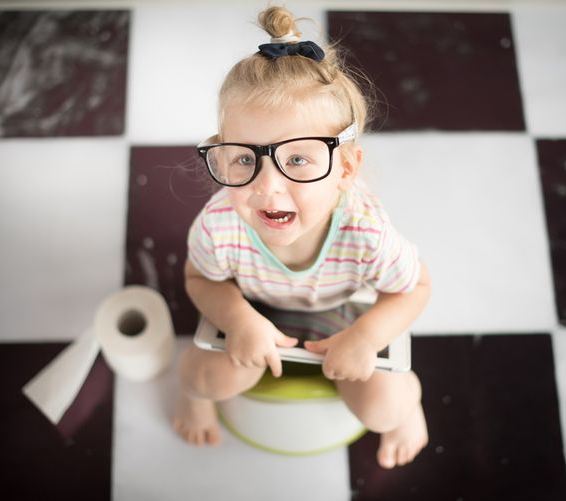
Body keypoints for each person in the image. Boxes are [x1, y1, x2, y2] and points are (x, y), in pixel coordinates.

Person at [173, 6, 431, 470]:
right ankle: (197, 401)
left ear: (345, 169)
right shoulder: (220, 223)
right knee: (199, 373)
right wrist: (237, 319)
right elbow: (200, 280)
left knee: (383, 404)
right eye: (244, 159)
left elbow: (414, 288)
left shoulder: (366, 232)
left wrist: (366, 336)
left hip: (342, 318)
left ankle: (408, 412)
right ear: (222, 154)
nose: (267, 187)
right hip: (256, 310)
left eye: (296, 161)